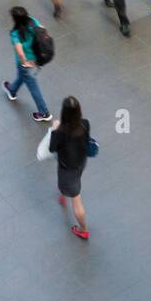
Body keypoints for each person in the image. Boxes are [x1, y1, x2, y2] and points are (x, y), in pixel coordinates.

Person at [46, 96, 93, 240]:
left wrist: (54, 129)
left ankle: (83, 229)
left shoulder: (60, 132)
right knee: (71, 184)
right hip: (80, 163)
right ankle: (64, 192)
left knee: (76, 199)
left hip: (67, 170)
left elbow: (52, 148)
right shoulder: (85, 124)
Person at [3, 6, 52, 122]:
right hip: (36, 59)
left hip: (25, 64)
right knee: (22, 76)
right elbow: (43, 30)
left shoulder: (15, 34)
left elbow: (20, 52)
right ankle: (12, 90)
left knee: (33, 87)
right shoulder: (33, 21)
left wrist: (26, 63)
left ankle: (44, 112)